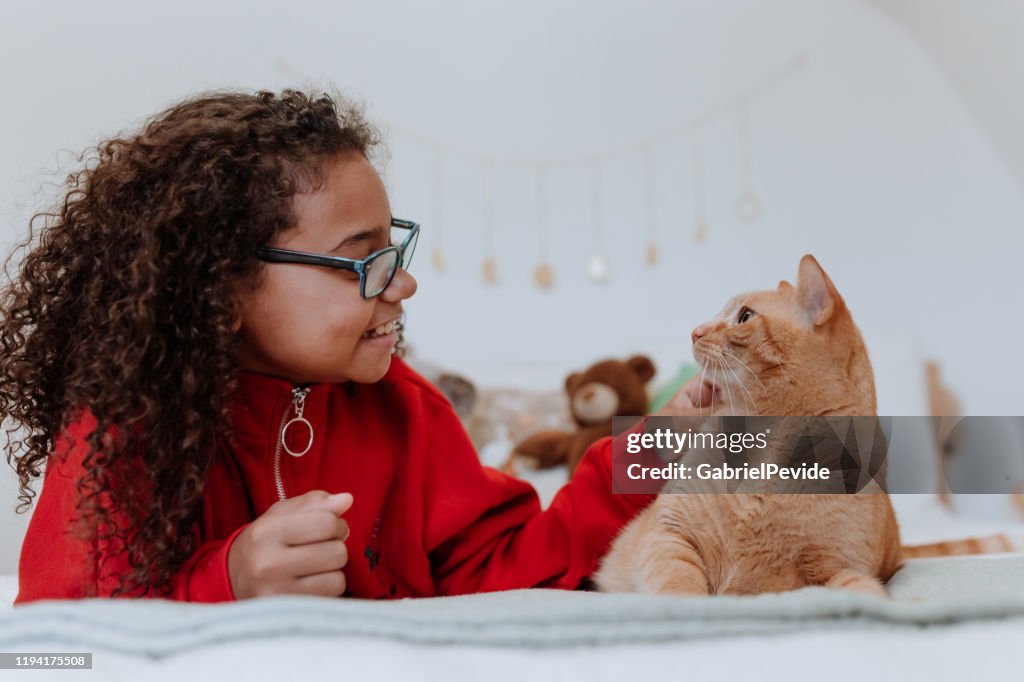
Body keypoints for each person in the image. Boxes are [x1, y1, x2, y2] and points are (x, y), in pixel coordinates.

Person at [1, 88, 708, 604]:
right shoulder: (123, 430)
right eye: (361, 261)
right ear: (222, 292)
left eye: (393, 251)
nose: (402, 288)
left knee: (798, 451)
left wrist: (659, 448)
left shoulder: (408, 410)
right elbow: (60, 644)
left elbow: (513, 568)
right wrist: (229, 579)